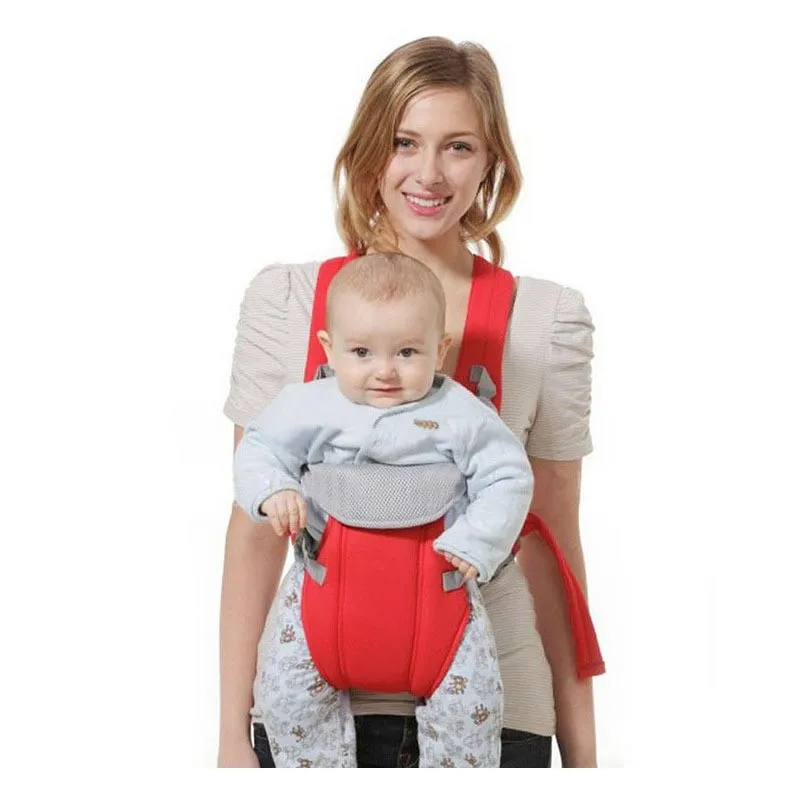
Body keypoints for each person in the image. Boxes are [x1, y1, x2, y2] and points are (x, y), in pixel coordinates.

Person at [220, 36, 599, 768]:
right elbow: (251, 531)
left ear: (491, 162)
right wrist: (231, 734)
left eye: (459, 146)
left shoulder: (544, 321)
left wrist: (583, 760)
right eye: (404, 142)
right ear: (369, 151)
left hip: (497, 710)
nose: (429, 173)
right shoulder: (288, 301)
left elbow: (556, 542)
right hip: (308, 701)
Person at [233, 253, 533, 767]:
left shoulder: (461, 412)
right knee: (284, 696)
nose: (385, 370)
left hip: (444, 595)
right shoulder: (306, 404)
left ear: (440, 350)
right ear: (329, 348)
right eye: (362, 352)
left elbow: (509, 475)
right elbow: (258, 449)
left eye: (408, 352)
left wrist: (477, 541)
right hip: (320, 591)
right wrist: (273, 492)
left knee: (471, 712)